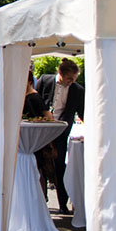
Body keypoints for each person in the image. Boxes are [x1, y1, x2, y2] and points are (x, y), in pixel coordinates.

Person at [35, 58, 84, 214]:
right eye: (69, 78)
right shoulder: (45, 80)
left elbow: (83, 113)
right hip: (41, 130)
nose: (71, 82)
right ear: (60, 73)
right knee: (38, 164)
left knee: (59, 166)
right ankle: (40, 200)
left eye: (74, 79)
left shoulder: (78, 90)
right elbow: (34, 101)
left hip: (61, 132)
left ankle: (63, 203)